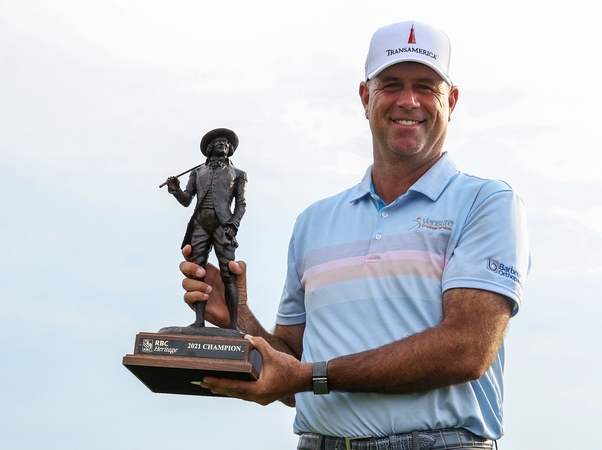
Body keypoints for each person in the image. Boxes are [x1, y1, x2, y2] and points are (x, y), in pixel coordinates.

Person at [179, 21, 530, 450]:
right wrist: (239, 318)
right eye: (390, 85)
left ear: (451, 101)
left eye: (426, 86)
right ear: (366, 98)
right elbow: (291, 376)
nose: (408, 101)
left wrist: (313, 376)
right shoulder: (314, 221)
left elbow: (466, 349)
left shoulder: (487, 202)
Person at [166, 128, 247, 332]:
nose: (223, 144)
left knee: (228, 274)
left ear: (230, 150)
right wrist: (175, 189)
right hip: (200, 224)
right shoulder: (197, 172)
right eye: (218, 142)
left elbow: (241, 204)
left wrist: (233, 224)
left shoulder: (238, 174)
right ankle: (199, 322)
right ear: (209, 148)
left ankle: (234, 325)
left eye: (226, 143)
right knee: (197, 273)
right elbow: (186, 200)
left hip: (224, 226)